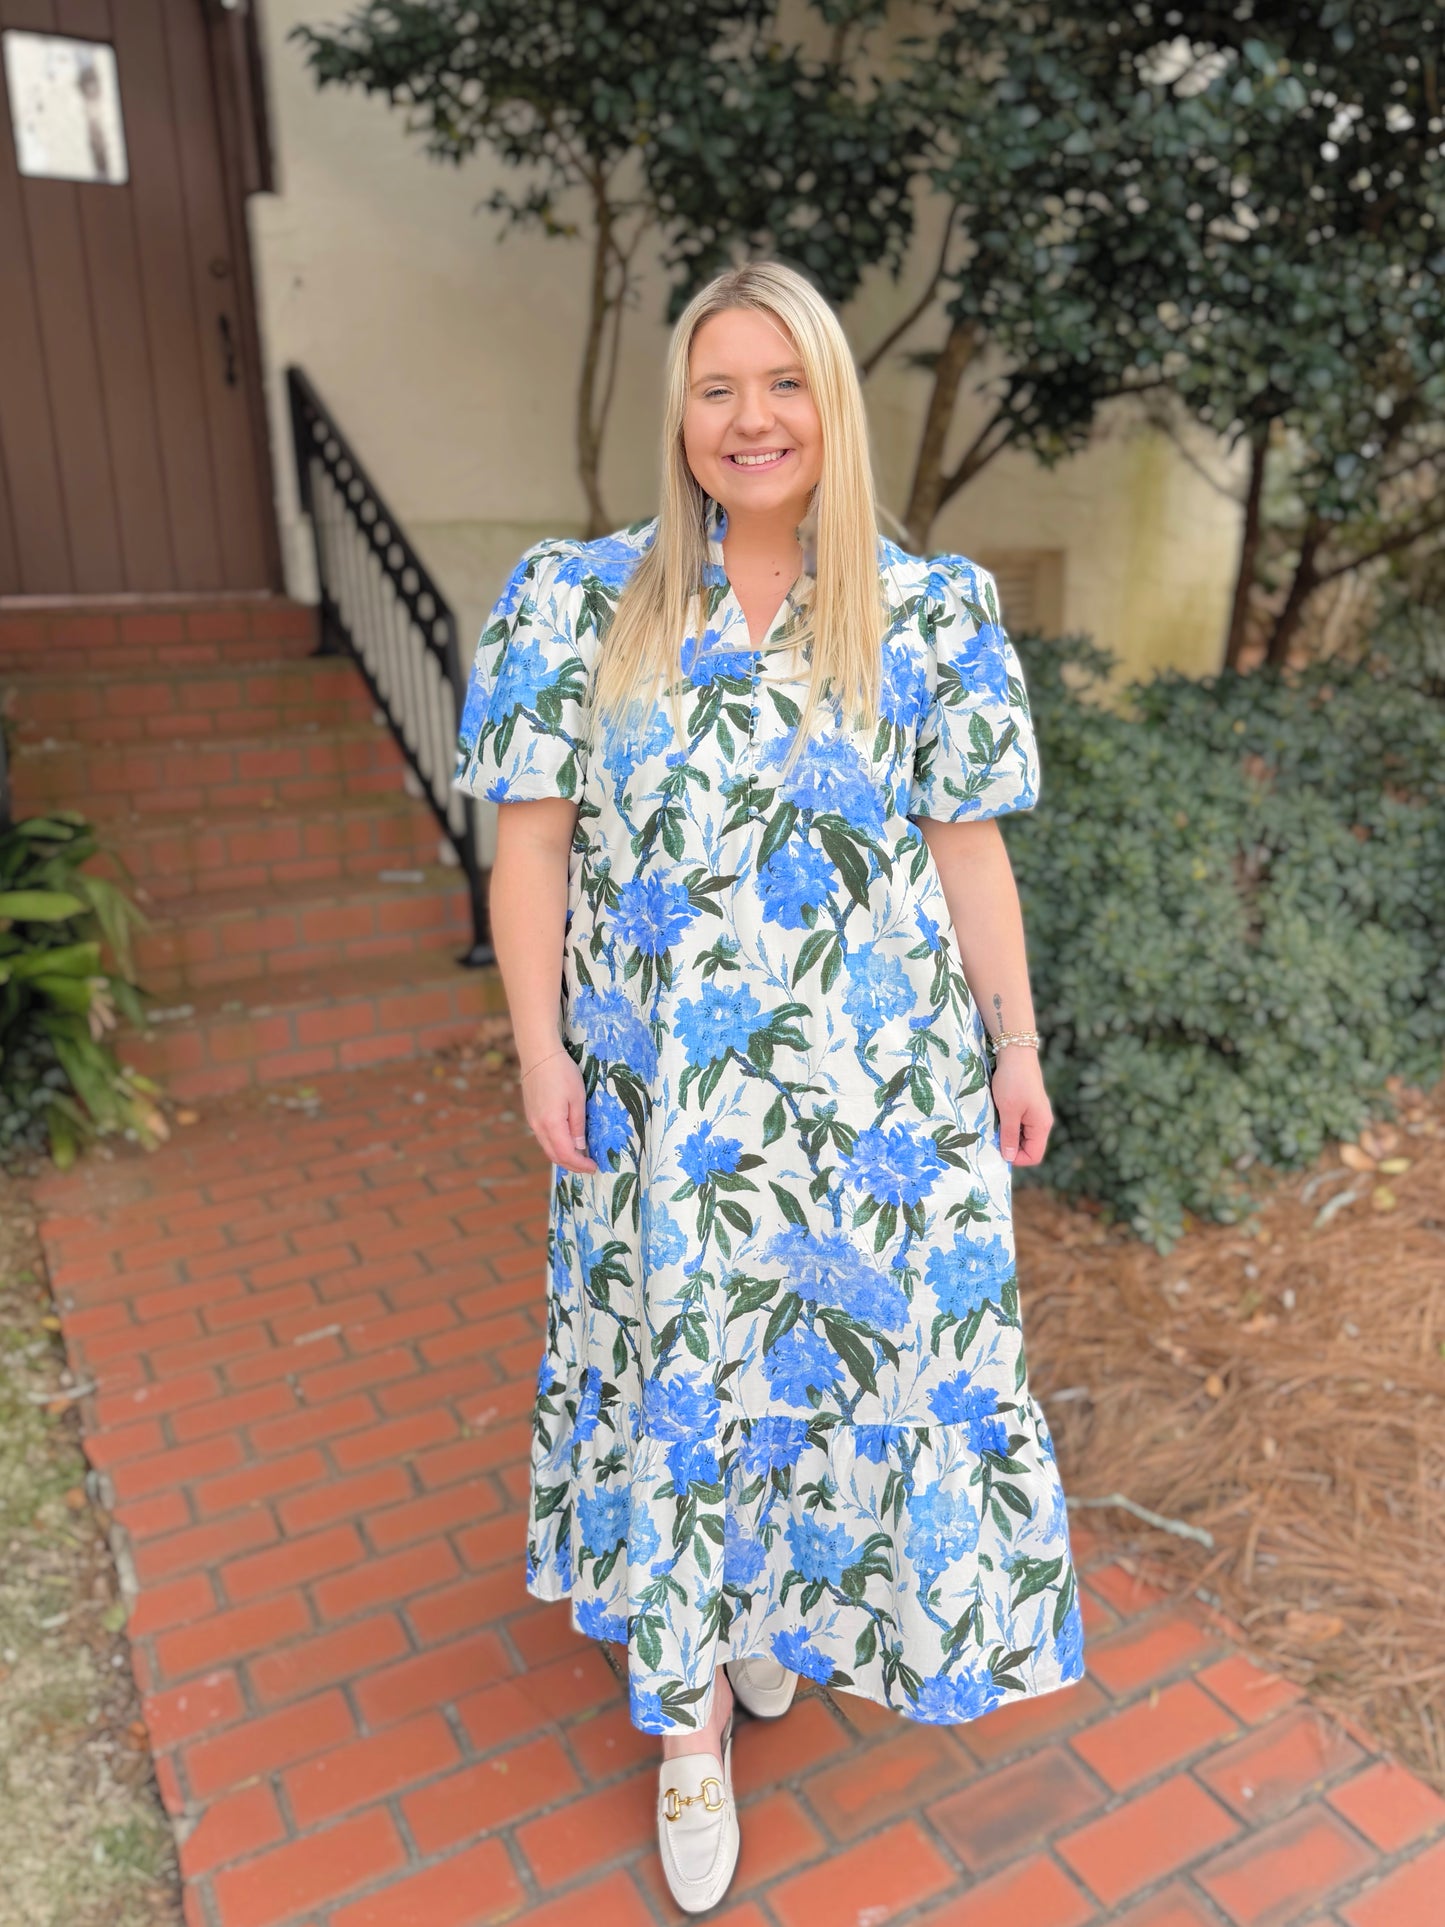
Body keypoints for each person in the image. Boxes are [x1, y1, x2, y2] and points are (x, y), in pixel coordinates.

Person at [453, 259, 1085, 1914]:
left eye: (783, 383)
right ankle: (685, 1734)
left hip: (877, 1115)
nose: (751, 418)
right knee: (681, 1384)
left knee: (821, 1375)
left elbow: (969, 856)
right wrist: (541, 1050)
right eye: (718, 386)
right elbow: (527, 859)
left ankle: (768, 1618)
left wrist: (1013, 1044)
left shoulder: (924, 609)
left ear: (829, 408)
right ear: (680, 412)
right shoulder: (575, 602)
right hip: (662, 1119)